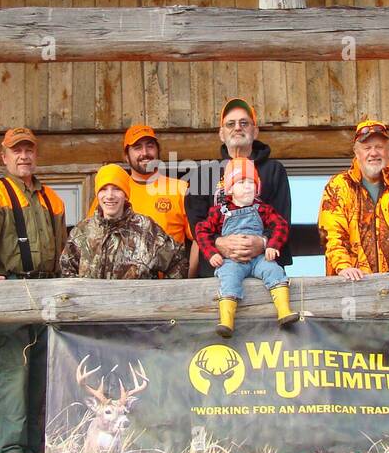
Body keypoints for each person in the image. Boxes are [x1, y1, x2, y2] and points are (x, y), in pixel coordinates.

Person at [0, 127, 67, 453]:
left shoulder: (53, 199)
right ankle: (9, 449)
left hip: (47, 291)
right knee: (12, 370)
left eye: (28, 150)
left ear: (35, 155)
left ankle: (35, 446)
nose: (23, 156)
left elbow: (64, 250)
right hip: (10, 288)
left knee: (41, 372)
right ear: (5, 156)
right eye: (16, 151)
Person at [185, 98, 292, 279]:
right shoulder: (202, 174)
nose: (237, 128)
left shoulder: (274, 170)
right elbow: (197, 223)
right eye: (230, 124)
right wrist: (219, 243)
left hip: (265, 269)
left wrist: (262, 242)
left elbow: (282, 218)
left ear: (255, 131)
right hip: (216, 270)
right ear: (221, 134)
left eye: (244, 123)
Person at [318, 119, 389, 280]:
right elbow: (331, 233)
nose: (373, 153)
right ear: (356, 153)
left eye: (379, 147)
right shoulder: (339, 186)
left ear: (388, 151)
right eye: (367, 148)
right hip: (353, 284)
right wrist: (343, 266)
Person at [195, 158, 295, 337]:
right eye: (241, 182)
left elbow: (281, 225)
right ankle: (226, 321)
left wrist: (271, 245)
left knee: (274, 270)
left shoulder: (263, 209)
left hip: (259, 259)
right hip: (232, 261)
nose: (248, 186)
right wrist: (211, 254)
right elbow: (201, 231)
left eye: (252, 182)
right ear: (230, 188)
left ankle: (284, 311)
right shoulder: (219, 212)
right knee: (228, 278)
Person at [62, 164, 187, 279]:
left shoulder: (146, 229)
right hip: (91, 303)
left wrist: (162, 297)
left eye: (116, 189)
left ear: (126, 194)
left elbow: (178, 261)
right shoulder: (81, 232)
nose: (110, 195)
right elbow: (66, 274)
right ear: (97, 194)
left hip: (137, 303)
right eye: (104, 189)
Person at [113, 123, 198, 276]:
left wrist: (187, 279)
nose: (145, 153)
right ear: (126, 156)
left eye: (150, 146)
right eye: (137, 147)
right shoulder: (113, 192)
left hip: (169, 286)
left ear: (158, 151)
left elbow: (200, 238)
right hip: (123, 288)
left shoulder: (180, 188)